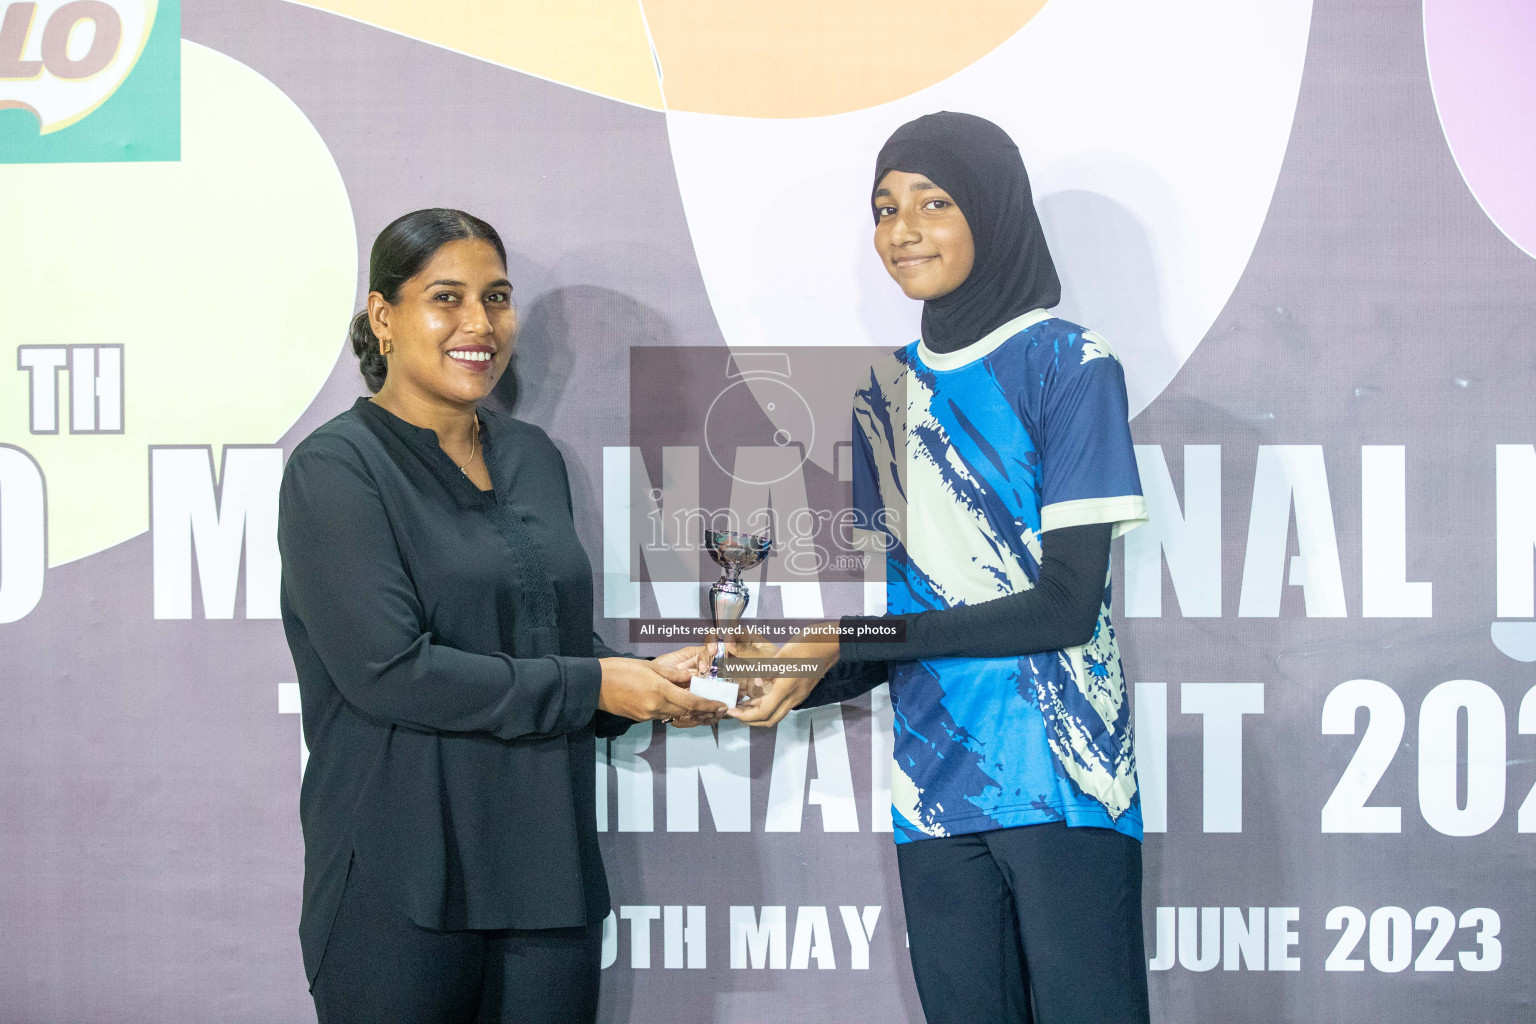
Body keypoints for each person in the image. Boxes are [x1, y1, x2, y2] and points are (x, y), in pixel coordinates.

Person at [729, 113, 1152, 1023]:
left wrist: (843, 636)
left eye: (934, 201)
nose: (903, 229)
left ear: (993, 213)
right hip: (933, 790)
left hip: (1064, 785)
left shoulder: (1070, 364)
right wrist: (785, 672)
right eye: (884, 207)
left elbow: (1065, 609)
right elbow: (906, 620)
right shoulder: (882, 392)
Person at [276, 208, 728, 1024]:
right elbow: (391, 673)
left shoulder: (531, 456)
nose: (478, 324)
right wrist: (594, 683)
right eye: (445, 298)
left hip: (544, 880)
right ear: (384, 317)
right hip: (398, 882)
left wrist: (647, 682)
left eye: (498, 297)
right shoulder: (336, 469)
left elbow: (545, 640)